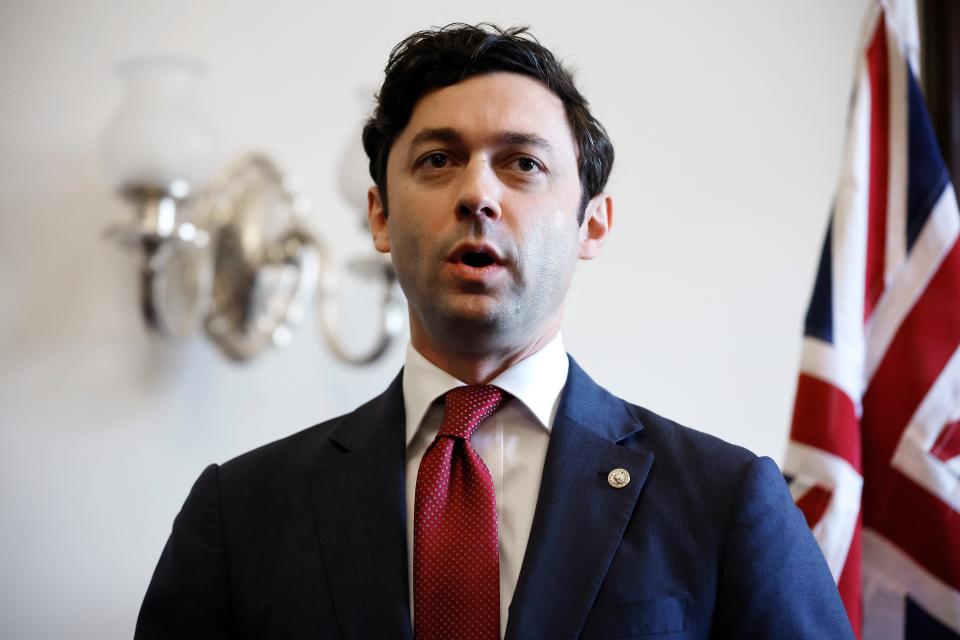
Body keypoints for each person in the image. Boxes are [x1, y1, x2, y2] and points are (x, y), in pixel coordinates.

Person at [135, 24, 854, 639]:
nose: (478, 193)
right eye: (438, 160)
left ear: (592, 224)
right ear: (380, 217)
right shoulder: (240, 513)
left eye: (524, 164)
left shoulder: (730, 501)